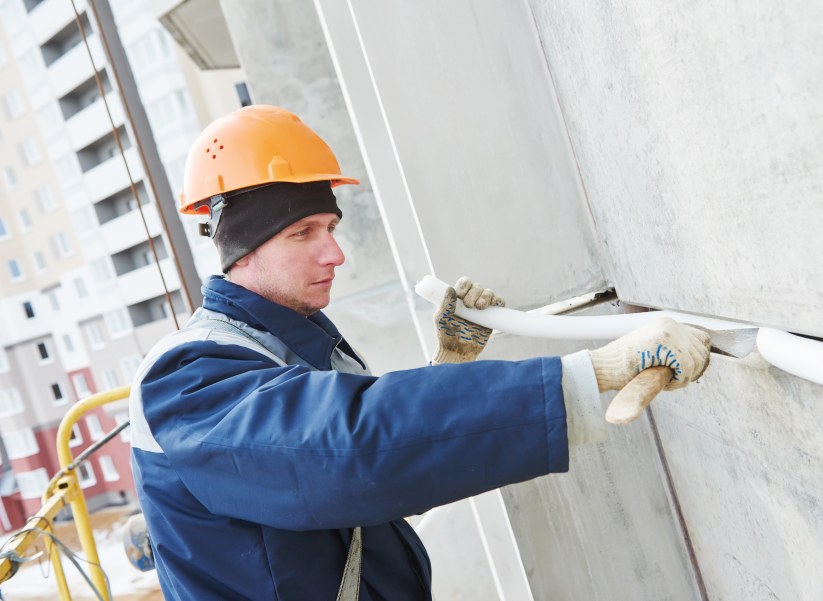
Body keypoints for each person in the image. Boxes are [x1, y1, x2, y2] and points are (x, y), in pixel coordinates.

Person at [129, 105, 710, 601]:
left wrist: (449, 367)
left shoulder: (288, 350)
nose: (335, 254)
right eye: (303, 233)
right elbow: (348, 449)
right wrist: (595, 372)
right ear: (241, 251)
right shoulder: (187, 379)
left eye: (330, 226)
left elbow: (360, 482)